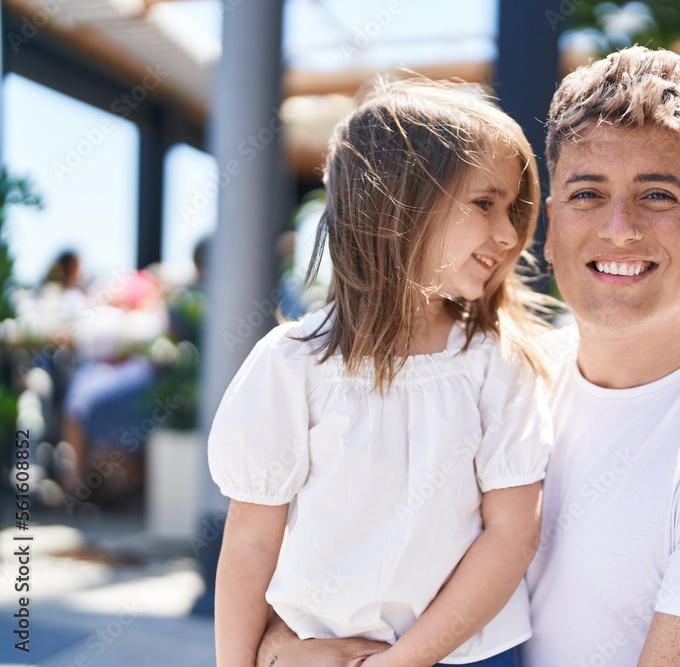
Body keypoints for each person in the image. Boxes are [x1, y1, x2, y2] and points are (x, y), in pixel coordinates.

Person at [256, 46, 680, 667]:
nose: (619, 227)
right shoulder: (492, 375)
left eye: (658, 196)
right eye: (588, 194)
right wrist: (284, 651)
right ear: (551, 229)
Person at [208, 77, 554, 667]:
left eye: (512, 209)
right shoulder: (291, 364)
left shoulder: (496, 362)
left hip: (467, 655)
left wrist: (400, 661)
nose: (508, 234)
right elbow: (250, 542)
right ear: (397, 203)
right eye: (484, 202)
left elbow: (512, 535)